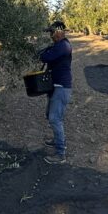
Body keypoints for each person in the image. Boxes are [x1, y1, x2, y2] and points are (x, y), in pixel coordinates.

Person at [39, 21, 72, 165]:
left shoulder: (62, 46)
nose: (51, 36)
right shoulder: (60, 45)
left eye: (52, 32)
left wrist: (45, 52)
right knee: (50, 115)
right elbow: (46, 54)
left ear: (59, 32)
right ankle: (57, 141)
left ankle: (60, 154)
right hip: (56, 86)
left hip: (61, 87)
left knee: (54, 118)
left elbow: (44, 57)